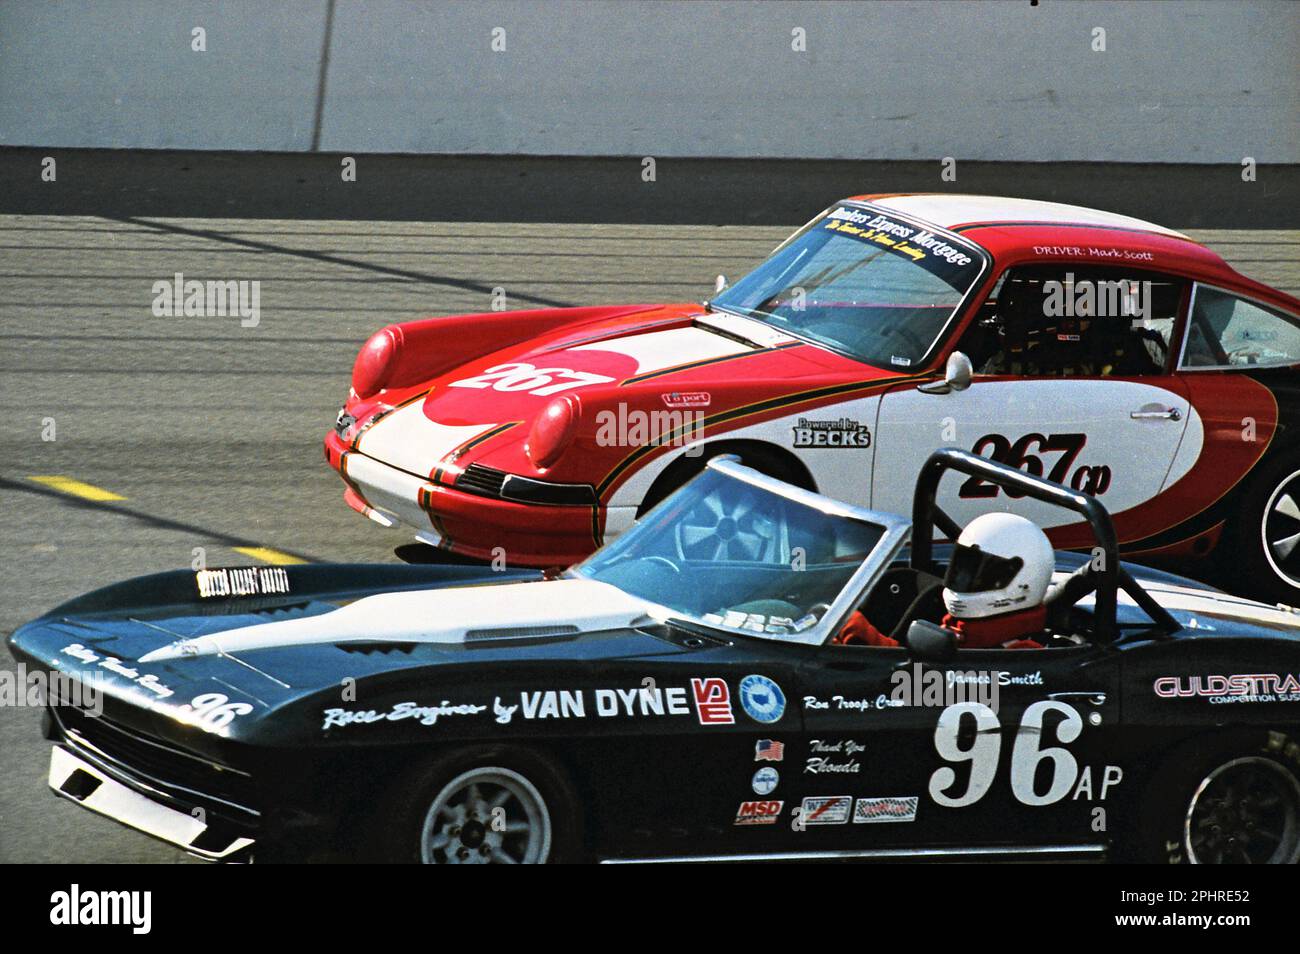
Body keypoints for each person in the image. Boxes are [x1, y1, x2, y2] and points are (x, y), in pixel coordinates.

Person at [835, 512, 1053, 649]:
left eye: (980, 572)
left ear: (1022, 584)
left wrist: (849, 624)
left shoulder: (1020, 653)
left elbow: (914, 684)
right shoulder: (960, 627)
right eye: (964, 565)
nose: (963, 577)